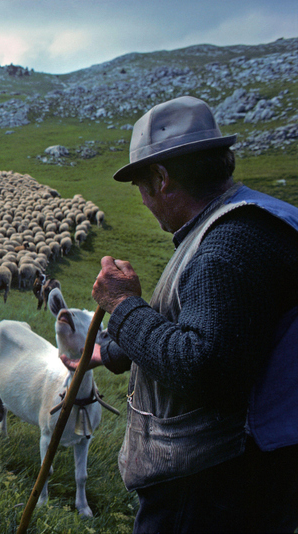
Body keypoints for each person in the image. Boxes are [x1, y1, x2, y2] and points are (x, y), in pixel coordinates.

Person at [62, 96, 298, 533]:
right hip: (250, 472)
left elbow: (204, 366)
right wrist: (109, 351)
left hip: (215, 482)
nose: (146, 202)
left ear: (162, 178)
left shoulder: (231, 244)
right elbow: (226, 331)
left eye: (142, 187)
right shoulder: (258, 219)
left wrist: (122, 306)